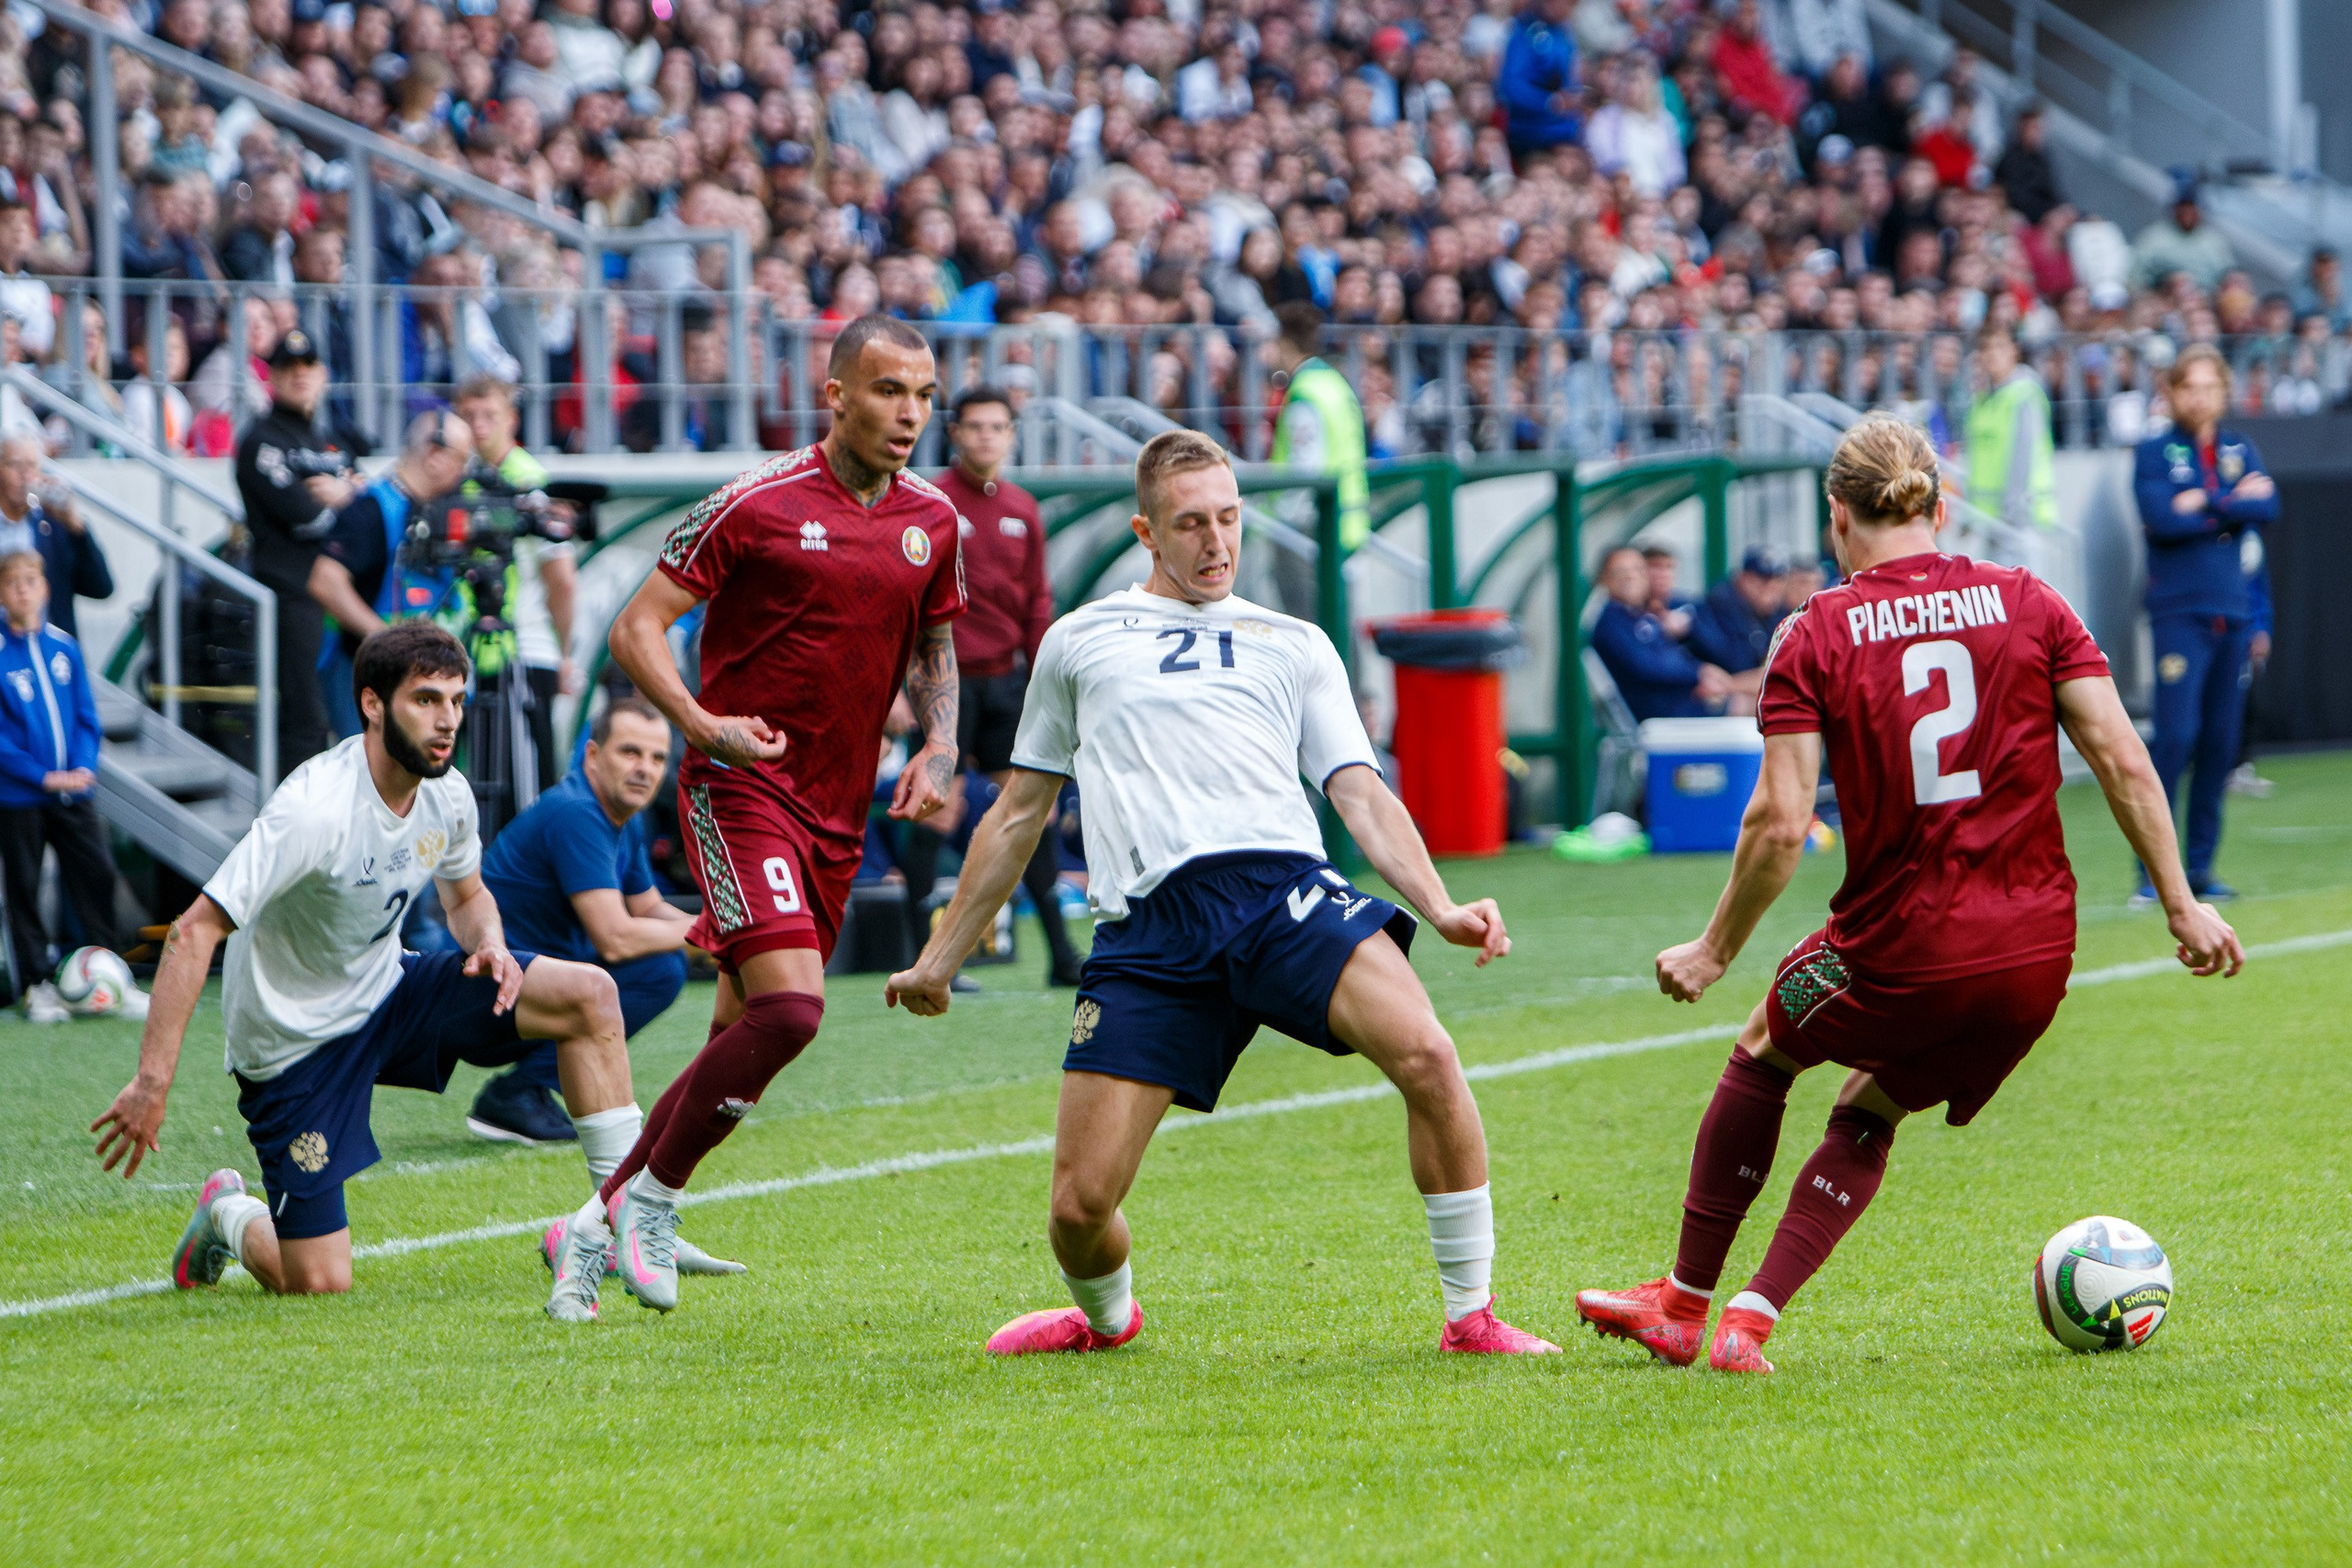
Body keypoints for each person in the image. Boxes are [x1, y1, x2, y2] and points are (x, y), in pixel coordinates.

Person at [1573, 417, 2244, 1373]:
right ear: (1939, 505)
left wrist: (1713, 948)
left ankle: (1682, 1305)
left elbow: (1775, 822)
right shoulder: (2030, 600)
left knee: (1764, 1050)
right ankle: (1752, 1319)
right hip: (2033, 962)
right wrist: (2180, 903)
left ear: (1835, 516)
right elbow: (2125, 761)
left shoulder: (1813, 630)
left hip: (1894, 950)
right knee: (1870, 1108)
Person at [885, 429, 1558, 1359]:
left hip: (1279, 892)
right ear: (1145, 532)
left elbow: (1357, 790)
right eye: (1191, 523)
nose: (1216, 542)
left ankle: (1470, 1316)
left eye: (1230, 519)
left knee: (1428, 1058)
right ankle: (1108, 1320)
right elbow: (1017, 814)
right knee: (1079, 1211)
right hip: (1147, 931)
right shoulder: (1080, 640)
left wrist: (1439, 907)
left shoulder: (1294, 642)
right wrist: (938, 960)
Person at [556, 314, 966, 1323]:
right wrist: (700, 723)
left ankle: (591, 1221)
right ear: (835, 394)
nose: (908, 412)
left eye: (922, 394)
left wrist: (941, 744)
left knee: (743, 1032)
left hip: (836, 814)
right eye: (886, 390)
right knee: (793, 1010)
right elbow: (634, 626)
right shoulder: (753, 503)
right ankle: (648, 1203)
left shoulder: (932, 519)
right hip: (736, 788)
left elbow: (935, 647)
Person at [90, 623, 643, 1306]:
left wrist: (491, 945)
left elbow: (466, 895)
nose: (447, 721)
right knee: (318, 1280)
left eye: (457, 701)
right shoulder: (314, 808)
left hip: (389, 992)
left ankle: (627, 1226)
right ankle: (229, 1213)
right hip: (294, 1046)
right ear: (372, 704)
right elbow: (192, 932)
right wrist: (151, 1083)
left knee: (591, 994)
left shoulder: (447, 792)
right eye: (426, 700)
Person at [898, 386, 1081, 987]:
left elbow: (1036, 603)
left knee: (1032, 812)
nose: (985, 436)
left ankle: (1060, 954)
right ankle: (920, 956)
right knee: (935, 812)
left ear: (1010, 434)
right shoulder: (929, 503)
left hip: (1006, 684)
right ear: (954, 434)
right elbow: (906, 601)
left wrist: (1044, 681)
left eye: (996, 426)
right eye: (974, 426)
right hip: (944, 684)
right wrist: (902, 686)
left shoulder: (1024, 509)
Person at [466, 695, 691, 1141]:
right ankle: (517, 1093)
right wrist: (712, 933)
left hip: (532, 981)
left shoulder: (622, 817)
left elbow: (647, 908)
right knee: (659, 970)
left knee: (662, 963)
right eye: (630, 752)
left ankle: (528, 1089)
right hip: (484, 997)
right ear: (593, 755)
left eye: (657, 757)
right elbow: (615, 939)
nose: (644, 768)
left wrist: (729, 924)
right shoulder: (578, 812)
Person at [2131, 345, 2277, 904]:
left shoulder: (2241, 447)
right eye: (2188, 387)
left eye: (2209, 387)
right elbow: (2162, 518)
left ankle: (2199, 870)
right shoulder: (2152, 452)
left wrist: (2205, 503)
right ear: (2171, 392)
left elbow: (2270, 507)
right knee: (2175, 738)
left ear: (2224, 390)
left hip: (2233, 613)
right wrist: (2232, 502)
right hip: (2178, 614)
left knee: (2219, 744)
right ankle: (2150, 874)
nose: (2199, 397)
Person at [0, 550, 140, 1023]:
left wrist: (80, 766)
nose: (23, 589)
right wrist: (40, 776)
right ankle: (36, 985)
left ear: (46, 588)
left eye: (31, 581)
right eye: (13, 582)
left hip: (74, 791)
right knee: (25, 885)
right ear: (1, 593)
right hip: (21, 796)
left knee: (97, 874)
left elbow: (85, 716)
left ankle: (111, 970)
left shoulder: (65, 647)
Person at [234, 326, 368, 772]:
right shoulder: (260, 440)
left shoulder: (336, 440)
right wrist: (346, 495)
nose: (299, 375)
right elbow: (306, 516)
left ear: (324, 373)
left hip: (347, 595)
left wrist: (342, 496)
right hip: (295, 597)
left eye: (308, 365)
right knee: (306, 718)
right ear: (270, 375)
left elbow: (366, 513)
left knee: (358, 716)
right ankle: (301, 833)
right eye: (287, 367)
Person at [308, 410, 478, 739]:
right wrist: (388, 641)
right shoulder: (372, 508)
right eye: (461, 460)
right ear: (434, 455)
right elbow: (324, 580)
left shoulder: (434, 509)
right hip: (369, 680)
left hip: (422, 682)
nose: (465, 473)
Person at [453, 374, 577, 792]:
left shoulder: (530, 480)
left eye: (489, 414)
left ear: (512, 419)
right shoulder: (459, 480)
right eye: (468, 416)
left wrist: (565, 653)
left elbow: (561, 579)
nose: (478, 425)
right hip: (473, 651)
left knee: (521, 787)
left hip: (525, 650)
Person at [1589, 545, 1734, 721]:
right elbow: (1648, 666)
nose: (1630, 576)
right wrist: (1699, 672)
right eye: (1620, 571)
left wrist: (1703, 670)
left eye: (1636, 569)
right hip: (1661, 715)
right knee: (1750, 702)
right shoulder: (1611, 622)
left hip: (1683, 704)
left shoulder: (1640, 616)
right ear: (1603, 578)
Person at [0, 435, 112, 644]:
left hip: (48, 655)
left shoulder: (53, 525)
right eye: (15, 464)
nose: (25, 475)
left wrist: (76, 527)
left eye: (32, 465)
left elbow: (102, 588)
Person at [1963, 325, 2058, 535]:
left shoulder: (2024, 395)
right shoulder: (1980, 400)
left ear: (2014, 350)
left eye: (1999, 346)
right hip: (1988, 518)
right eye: (1986, 348)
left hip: (2021, 519)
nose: (1992, 354)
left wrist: (2013, 511)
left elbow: (2023, 455)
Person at [1687, 546, 1790, 679]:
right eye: (1763, 581)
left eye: (1777, 581)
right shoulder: (1719, 605)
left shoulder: (1778, 611)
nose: (1770, 589)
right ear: (1743, 578)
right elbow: (1736, 664)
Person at [1497, 0, 1581, 157]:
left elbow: (1570, 83)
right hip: (1529, 131)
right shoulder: (1524, 31)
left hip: (1563, 129)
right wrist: (1548, 102)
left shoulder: (1564, 35)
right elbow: (1510, 85)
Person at [2131, 172, 2234, 293]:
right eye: (2184, 207)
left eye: (2192, 207)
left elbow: (2228, 276)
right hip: (2163, 299)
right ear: (2174, 208)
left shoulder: (2214, 242)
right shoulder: (2154, 238)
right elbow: (2136, 278)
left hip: (2203, 300)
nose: (2188, 213)